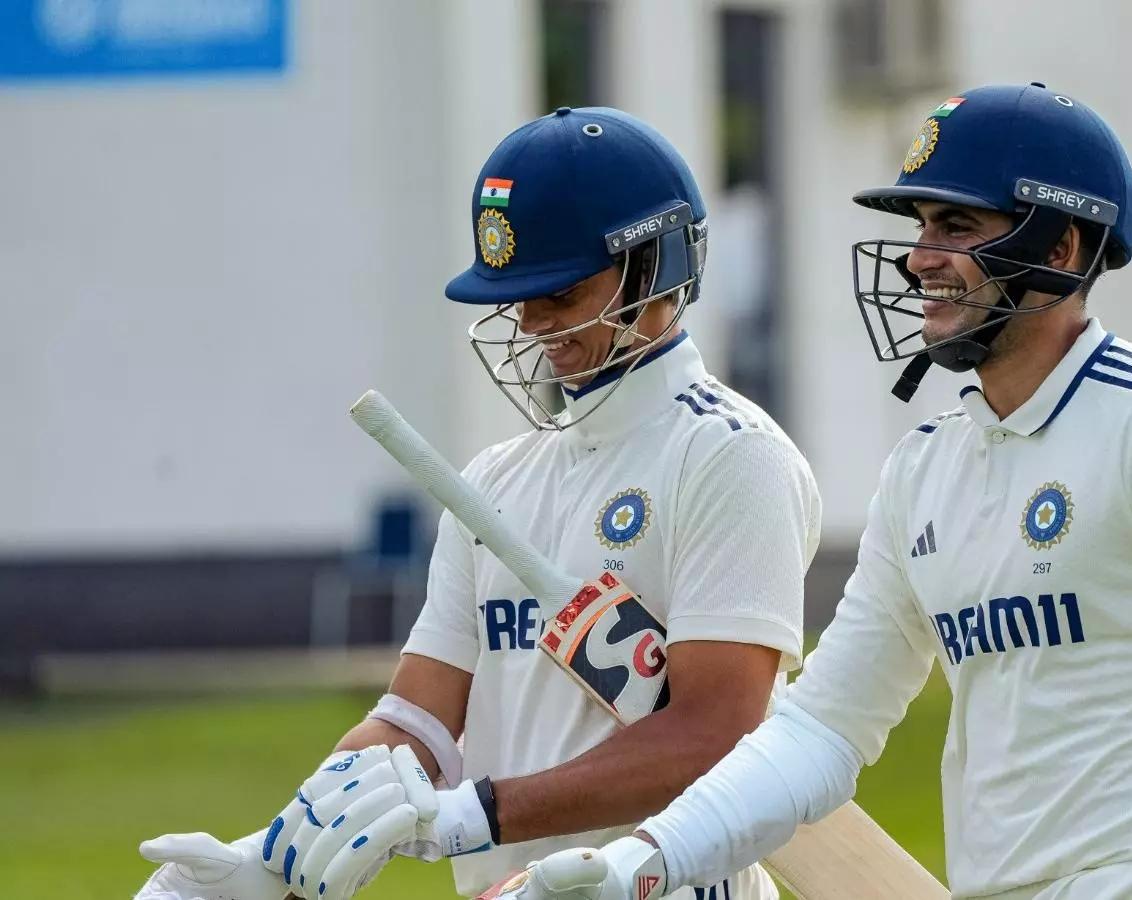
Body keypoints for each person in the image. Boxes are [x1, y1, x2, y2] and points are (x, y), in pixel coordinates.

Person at [499, 83, 1132, 900]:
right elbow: (821, 730)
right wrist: (642, 861)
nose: (918, 260)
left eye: (957, 226)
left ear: (1060, 249)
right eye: (919, 226)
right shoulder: (927, 467)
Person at [133, 106, 820, 900]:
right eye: (519, 296)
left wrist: (477, 814)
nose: (531, 323)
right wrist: (276, 852)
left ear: (653, 266)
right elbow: (417, 724)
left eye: (560, 291)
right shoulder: (495, 479)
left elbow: (715, 738)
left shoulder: (730, 456)